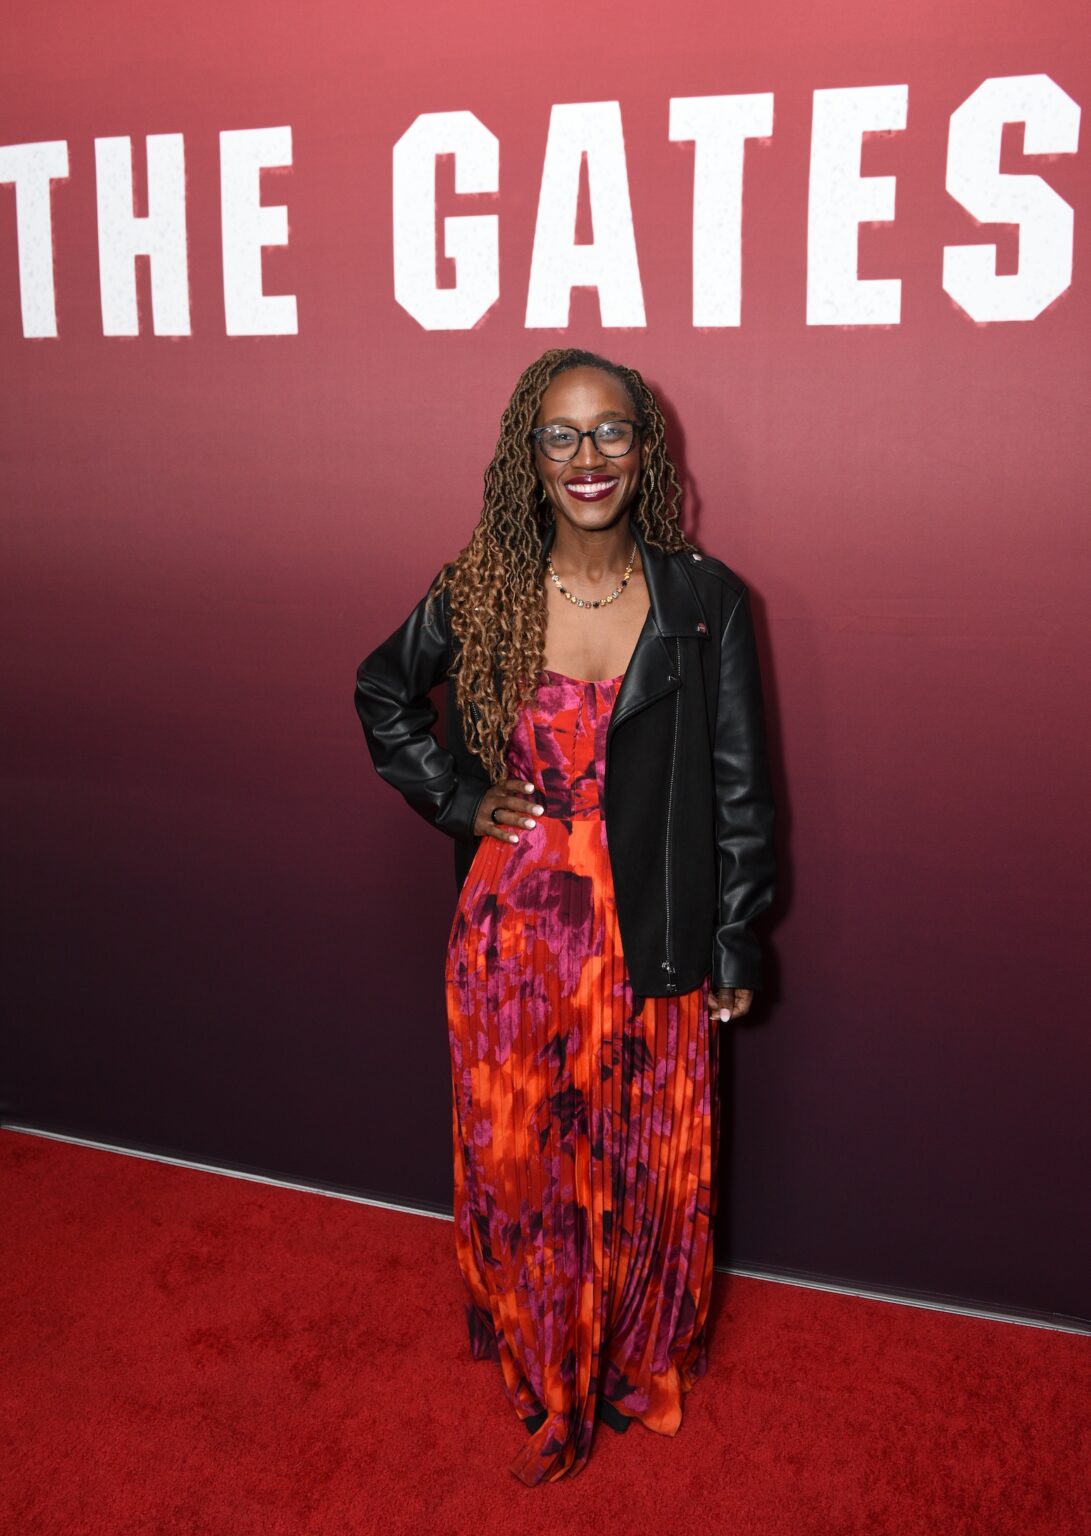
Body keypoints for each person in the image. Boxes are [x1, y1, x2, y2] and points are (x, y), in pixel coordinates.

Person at [353, 347, 776, 1485]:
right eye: (559, 435)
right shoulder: (482, 585)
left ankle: (634, 1351)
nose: (586, 457)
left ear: (645, 448)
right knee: (529, 1159)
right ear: (524, 457)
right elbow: (380, 690)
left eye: (609, 432)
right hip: (515, 932)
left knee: (646, 1156)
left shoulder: (705, 601)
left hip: (654, 924)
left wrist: (735, 935)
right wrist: (454, 794)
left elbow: (740, 788)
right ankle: (548, 1353)